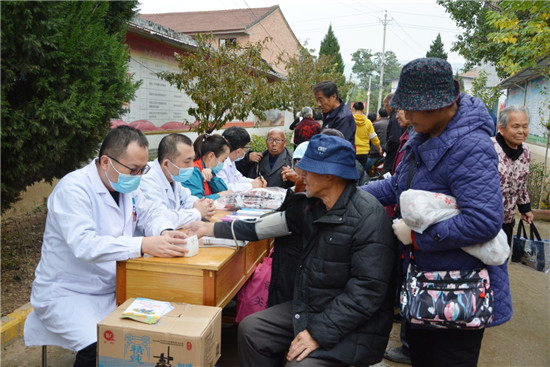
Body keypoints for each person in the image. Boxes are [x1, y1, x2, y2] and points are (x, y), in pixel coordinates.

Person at [185, 134, 397, 367]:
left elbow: (366, 291)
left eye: (308, 170)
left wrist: (317, 333)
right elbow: (262, 228)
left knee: (299, 362)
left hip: (353, 323)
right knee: (252, 329)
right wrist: (211, 229)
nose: (302, 175)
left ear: (329, 175)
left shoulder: (369, 217)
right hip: (312, 303)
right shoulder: (312, 206)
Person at [361, 57, 511, 367]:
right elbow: (397, 189)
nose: (406, 114)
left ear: (444, 104)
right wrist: (351, 194)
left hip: (459, 287)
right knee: (421, 354)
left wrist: (417, 239)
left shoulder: (471, 146)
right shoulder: (421, 137)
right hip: (424, 281)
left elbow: (483, 221)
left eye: (413, 108)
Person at [24, 126, 191, 367]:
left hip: (113, 286)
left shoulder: (127, 187)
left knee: (152, 329)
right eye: (133, 169)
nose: (138, 175)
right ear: (105, 161)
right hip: (67, 292)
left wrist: (165, 231)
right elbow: (85, 245)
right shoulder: (73, 189)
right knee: (99, 345)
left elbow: (151, 213)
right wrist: (143, 244)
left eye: (143, 169)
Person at [139, 133, 216, 229]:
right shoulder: (147, 178)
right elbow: (161, 217)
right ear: (167, 164)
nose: (192, 166)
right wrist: (197, 212)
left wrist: (202, 204)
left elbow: (186, 199)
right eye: (187, 162)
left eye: (193, 160)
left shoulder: (173, 175)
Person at [492, 105, 534, 260]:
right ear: (501, 129)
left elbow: (521, 183)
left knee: (502, 258)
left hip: (508, 219)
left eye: (525, 126)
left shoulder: (526, 151)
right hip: (486, 217)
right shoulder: (489, 148)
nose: (521, 131)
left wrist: (525, 208)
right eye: (515, 126)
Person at [183, 133, 233, 200]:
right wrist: (219, 195)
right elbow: (196, 201)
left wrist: (212, 177)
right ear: (211, 156)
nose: (222, 164)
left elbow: (225, 191)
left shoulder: (207, 170)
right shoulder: (193, 171)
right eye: (223, 160)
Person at [218, 126, 266, 192]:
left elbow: (238, 178)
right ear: (239, 151)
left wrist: (256, 182)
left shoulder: (231, 161)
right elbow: (225, 187)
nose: (246, 151)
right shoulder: (219, 163)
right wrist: (251, 185)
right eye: (246, 148)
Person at [313, 80, 356, 145]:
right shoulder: (328, 113)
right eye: (317, 100)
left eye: (321, 100)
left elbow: (338, 146)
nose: (318, 104)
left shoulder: (345, 117)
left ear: (333, 97)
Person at [352, 101, 383, 170]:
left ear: (353, 109)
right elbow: (374, 137)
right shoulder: (368, 122)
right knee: (361, 174)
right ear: (363, 110)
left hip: (352, 151)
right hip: (364, 153)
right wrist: (379, 148)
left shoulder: (349, 120)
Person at [381, 93, 406, 175]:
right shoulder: (395, 117)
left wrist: (385, 147)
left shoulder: (395, 118)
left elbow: (395, 139)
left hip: (393, 157)